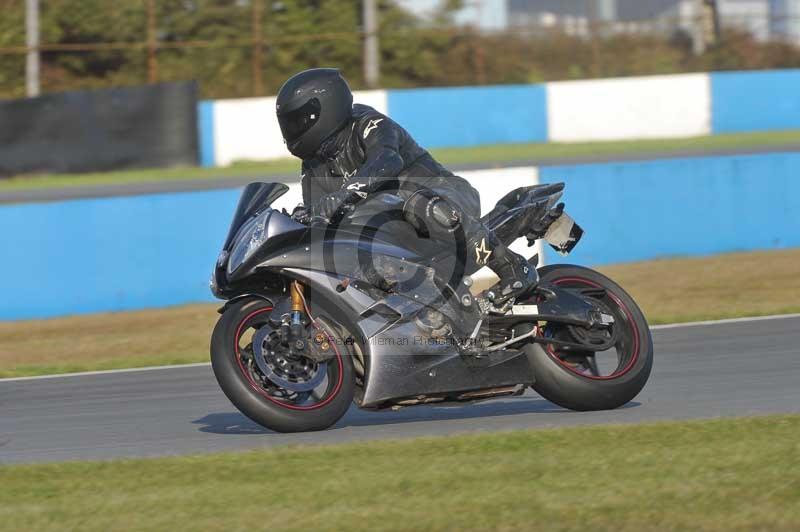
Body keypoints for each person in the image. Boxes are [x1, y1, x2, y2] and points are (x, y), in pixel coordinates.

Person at [276, 68, 537, 303]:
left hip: (445, 198)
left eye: (300, 120)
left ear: (327, 105)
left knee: (416, 204)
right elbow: (321, 215)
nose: (294, 129)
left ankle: (512, 267)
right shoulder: (313, 165)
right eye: (290, 123)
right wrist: (305, 219)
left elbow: (387, 159)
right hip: (396, 229)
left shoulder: (368, 123)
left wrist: (347, 193)